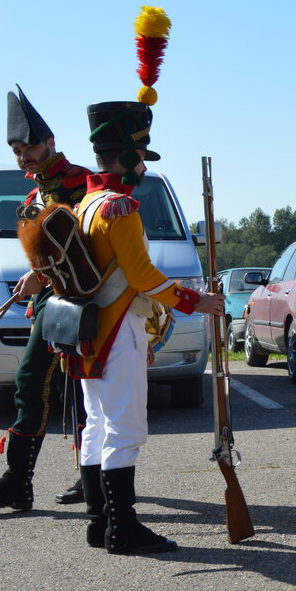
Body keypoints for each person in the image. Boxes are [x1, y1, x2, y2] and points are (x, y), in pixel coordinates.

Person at [73, 99, 224, 554]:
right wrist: (198, 302)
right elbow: (142, 278)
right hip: (118, 327)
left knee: (98, 426)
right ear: (123, 156)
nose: (144, 163)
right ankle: (124, 529)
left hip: (90, 331)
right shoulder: (120, 207)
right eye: (140, 154)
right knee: (126, 429)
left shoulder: (86, 203)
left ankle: (100, 524)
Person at [0, 86, 93, 512]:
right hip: (49, 305)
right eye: (18, 150)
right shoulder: (32, 196)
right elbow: (46, 250)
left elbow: (86, 249)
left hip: (83, 302)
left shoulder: (81, 185)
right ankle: (19, 482)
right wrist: (32, 276)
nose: (24, 157)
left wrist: (41, 275)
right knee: (31, 383)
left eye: (30, 147)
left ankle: (89, 476)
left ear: (50, 143)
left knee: (81, 390)